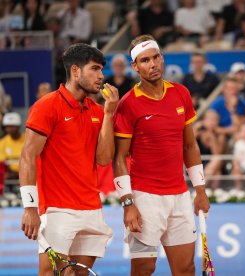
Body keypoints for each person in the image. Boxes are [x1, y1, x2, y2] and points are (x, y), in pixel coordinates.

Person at [113, 34, 210, 275]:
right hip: (145, 198)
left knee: (186, 268)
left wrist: (200, 190)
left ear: (162, 58)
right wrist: (128, 203)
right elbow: (119, 158)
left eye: (156, 57)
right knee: (144, 269)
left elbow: (190, 146)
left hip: (179, 197)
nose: (153, 64)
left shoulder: (181, 93)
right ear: (135, 67)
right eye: (145, 60)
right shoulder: (127, 104)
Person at [19, 43, 118, 274]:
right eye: (94, 69)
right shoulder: (47, 106)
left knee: (79, 274)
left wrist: (109, 114)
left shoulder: (96, 111)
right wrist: (30, 207)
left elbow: (104, 160)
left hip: (92, 208)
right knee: (51, 273)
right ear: (75, 71)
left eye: (101, 69)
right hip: (57, 210)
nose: (101, 76)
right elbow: (27, 156)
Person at [0, 112, 24, 180]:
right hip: (9, 176)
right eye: (7, 126)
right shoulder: (2, 142)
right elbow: (2, 162)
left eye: (12, 126)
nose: (10, 129)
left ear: (18, 126)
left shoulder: (27, 140)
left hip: (26, 174)